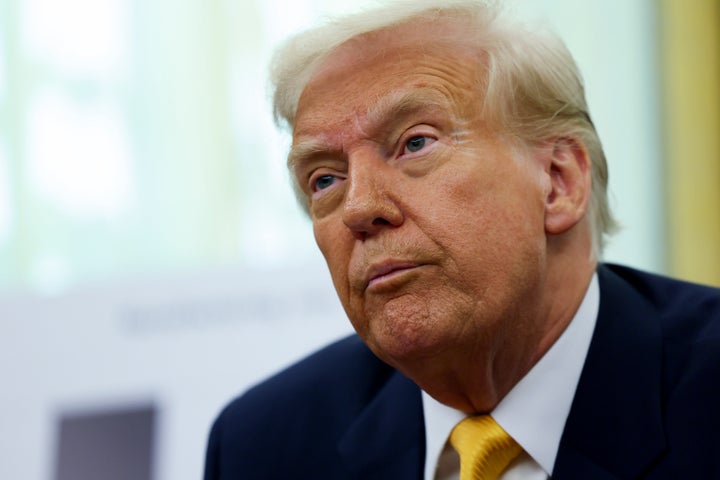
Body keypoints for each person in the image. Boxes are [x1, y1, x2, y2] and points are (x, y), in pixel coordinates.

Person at [204, 1, 720, 479]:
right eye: (325, 179)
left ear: (559, 182)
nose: (359, 209)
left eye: (415, 143)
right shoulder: (264, 445)